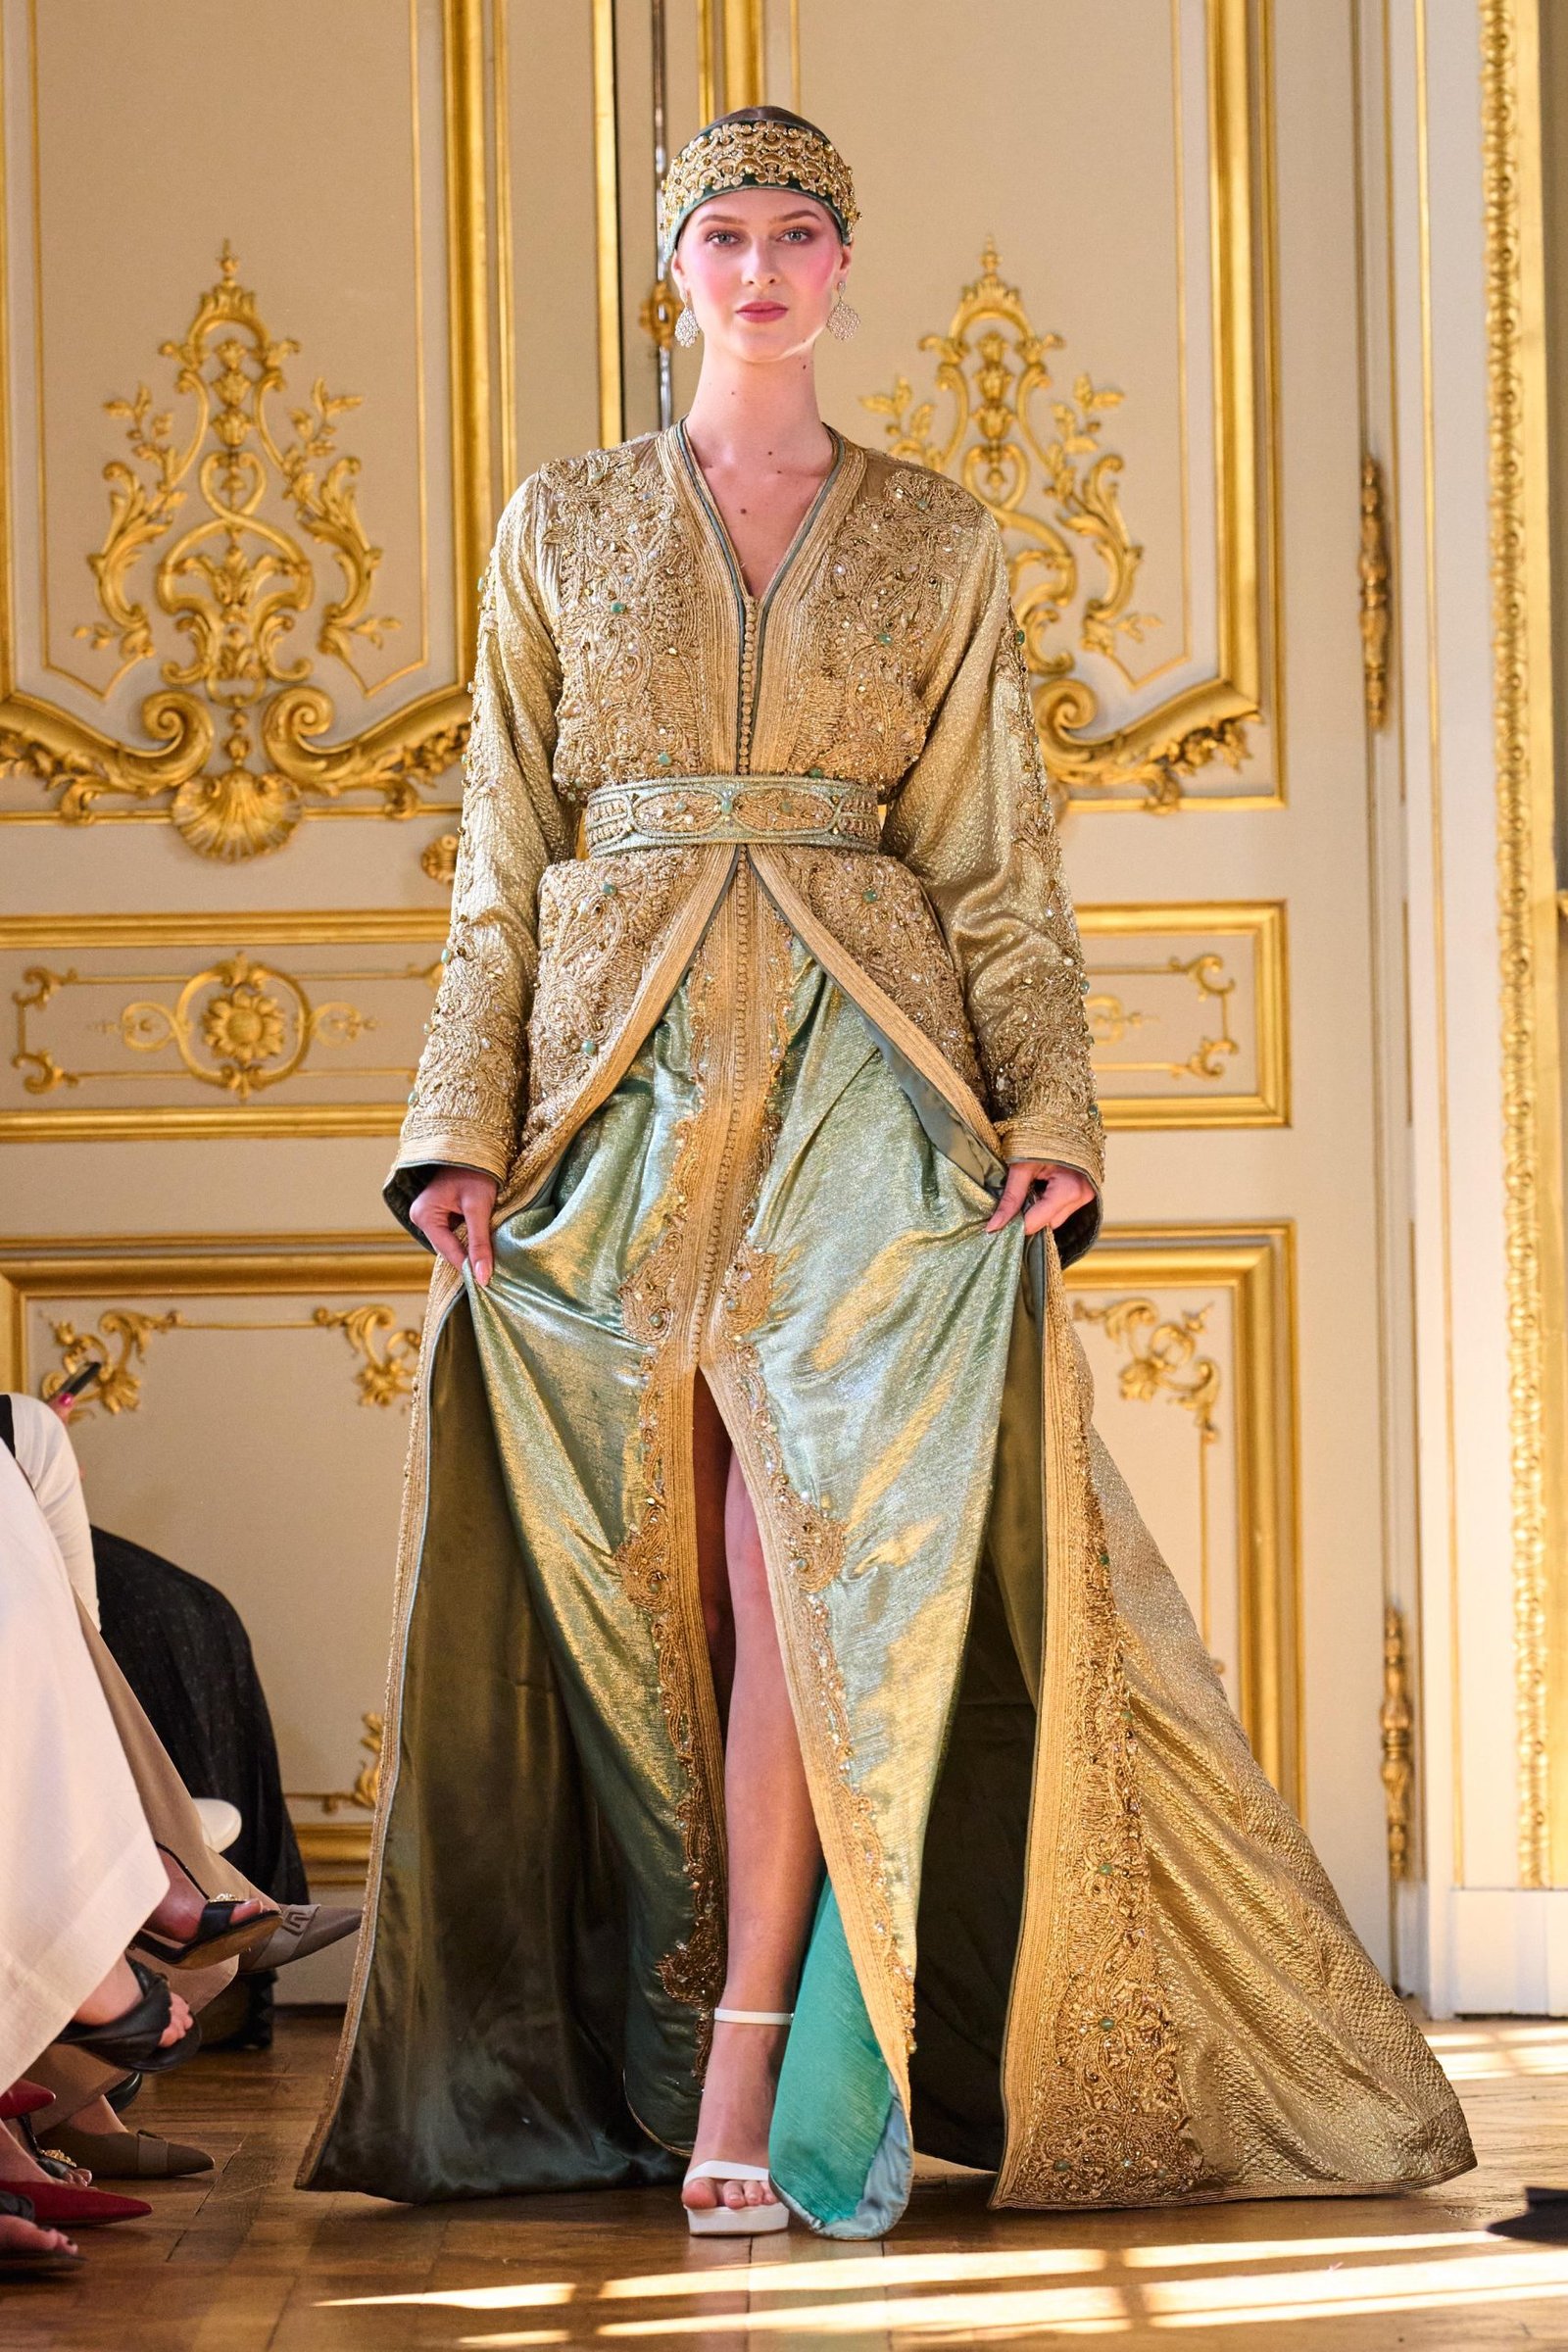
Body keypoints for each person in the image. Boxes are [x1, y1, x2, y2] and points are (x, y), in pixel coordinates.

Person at [300, 109, 1473, 2237]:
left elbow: (996, 858)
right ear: (673, 273)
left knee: (806, 1585)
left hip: (869, 1075)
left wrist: (1051, 1119)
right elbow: (498, 846)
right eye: (724, 236)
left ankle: (756, 2057)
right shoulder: (562, 522)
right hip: (612, 1093)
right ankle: (655, 2047)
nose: (759, 269)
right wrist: (454, 1129)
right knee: (644, 1592)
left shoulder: (936, 536)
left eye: (796, 235)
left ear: (844, 269)